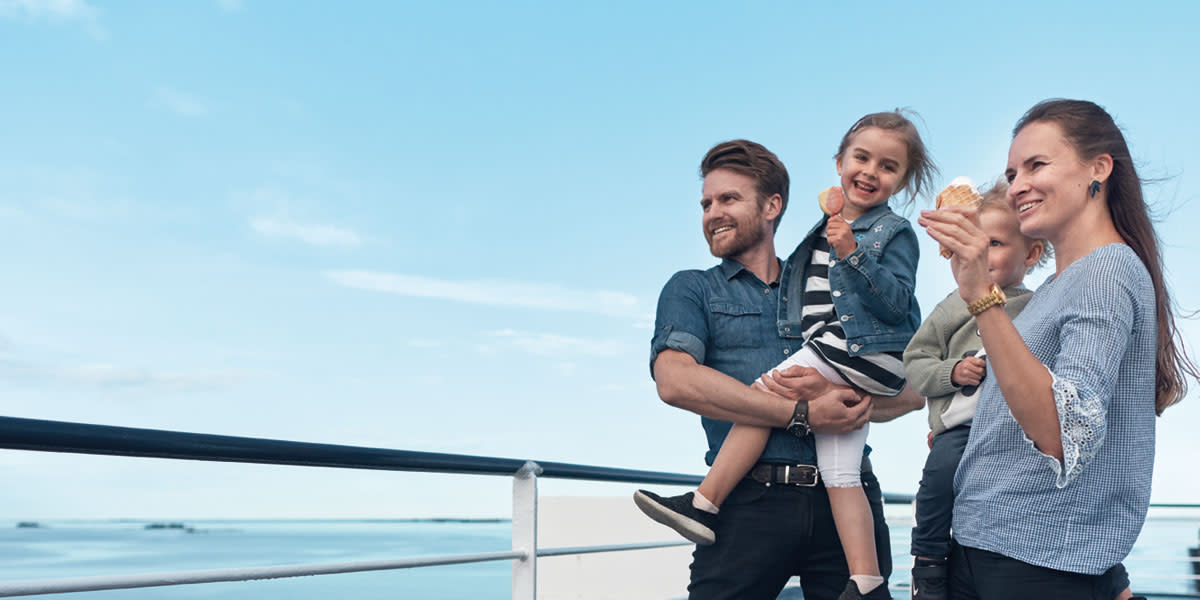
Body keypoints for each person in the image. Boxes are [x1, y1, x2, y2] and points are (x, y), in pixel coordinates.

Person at [639, 113, 934, 600]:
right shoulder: (692, 288)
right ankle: (702, 503)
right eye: (707, 203)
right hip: (746, 505)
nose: (713, 212)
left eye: (728, 199)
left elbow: (909, 394)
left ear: (772, 205)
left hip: (847, 498)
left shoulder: (836, 286)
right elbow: (675, 382)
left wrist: (838, 395)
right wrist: (802, 412)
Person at [918, 99, 1197, 599]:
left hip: (1036, 563)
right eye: (1011, 171)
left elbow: (1063, 432)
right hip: (988, 549)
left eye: (1036, 165)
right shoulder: (1054, 289)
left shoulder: (1107, 270)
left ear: (1099, 168)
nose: (1016, 184)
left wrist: (981, 297)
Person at [902, 179, 1047, 599]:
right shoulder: (952, 305)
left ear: (1031, 253)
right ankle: (927, 566)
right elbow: (915, 365)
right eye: (973, 245)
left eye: (996, 245)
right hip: (961, 428)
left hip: (1016, 429)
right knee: (938, 480)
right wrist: (952, 372)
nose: (981, 256)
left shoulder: (1038, 305)